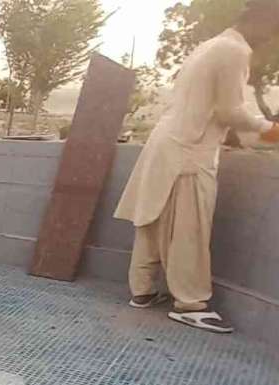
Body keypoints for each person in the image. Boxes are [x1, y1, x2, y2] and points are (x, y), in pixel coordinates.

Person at [114, 0, 279, 334]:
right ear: (262, 21)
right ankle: (190, 304)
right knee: (190, 229)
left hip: (166, 142)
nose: (272, 38)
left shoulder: (210, 45)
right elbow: (229, 110)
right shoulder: (235, 51)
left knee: (153, 219)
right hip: (189, 151)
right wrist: (269, 129)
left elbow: (208, 104)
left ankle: (142, 291)